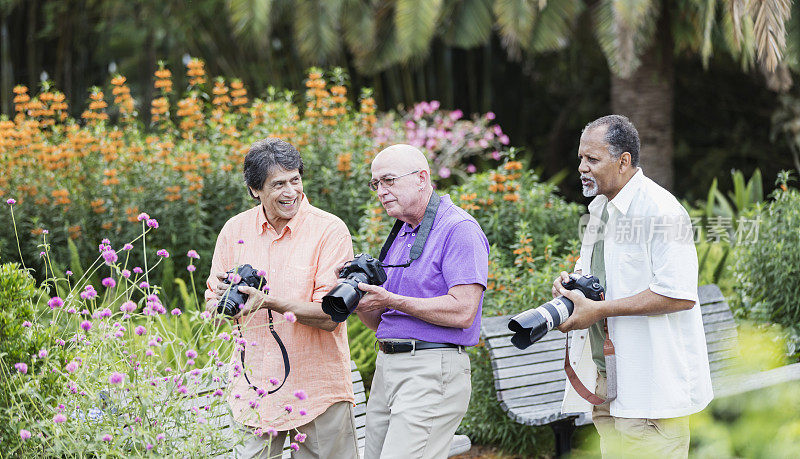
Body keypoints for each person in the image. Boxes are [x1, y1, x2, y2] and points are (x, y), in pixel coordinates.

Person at [554, 115, 712, 457]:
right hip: (607, 382)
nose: (581, 167)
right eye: (581, 157)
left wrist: (599, 310)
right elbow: (596, 275)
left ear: (624, 161)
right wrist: (570, 287)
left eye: (592, 159)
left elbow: (679, 295)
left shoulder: (663, 211)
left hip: (650, 390)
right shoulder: (599, 209)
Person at [205, 138, 358, 459]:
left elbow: (330, 317)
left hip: (319, 391)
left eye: (295, 180)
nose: (291, 192)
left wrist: (270, 302)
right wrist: (223, 302)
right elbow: (211, 308)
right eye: (278, 184)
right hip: (254, 390)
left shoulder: (330, 230)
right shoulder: (234, 231)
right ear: (254, 190)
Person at [354, 144, 490, 459]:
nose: (381, 191)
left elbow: (463, 311)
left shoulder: (459, 229)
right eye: (376, 184)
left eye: (389, 180)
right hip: (387, 367)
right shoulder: (401, 233)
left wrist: (391, 298)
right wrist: (363, 302)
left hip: (431, 369)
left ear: (421, 178)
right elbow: (381, 322)